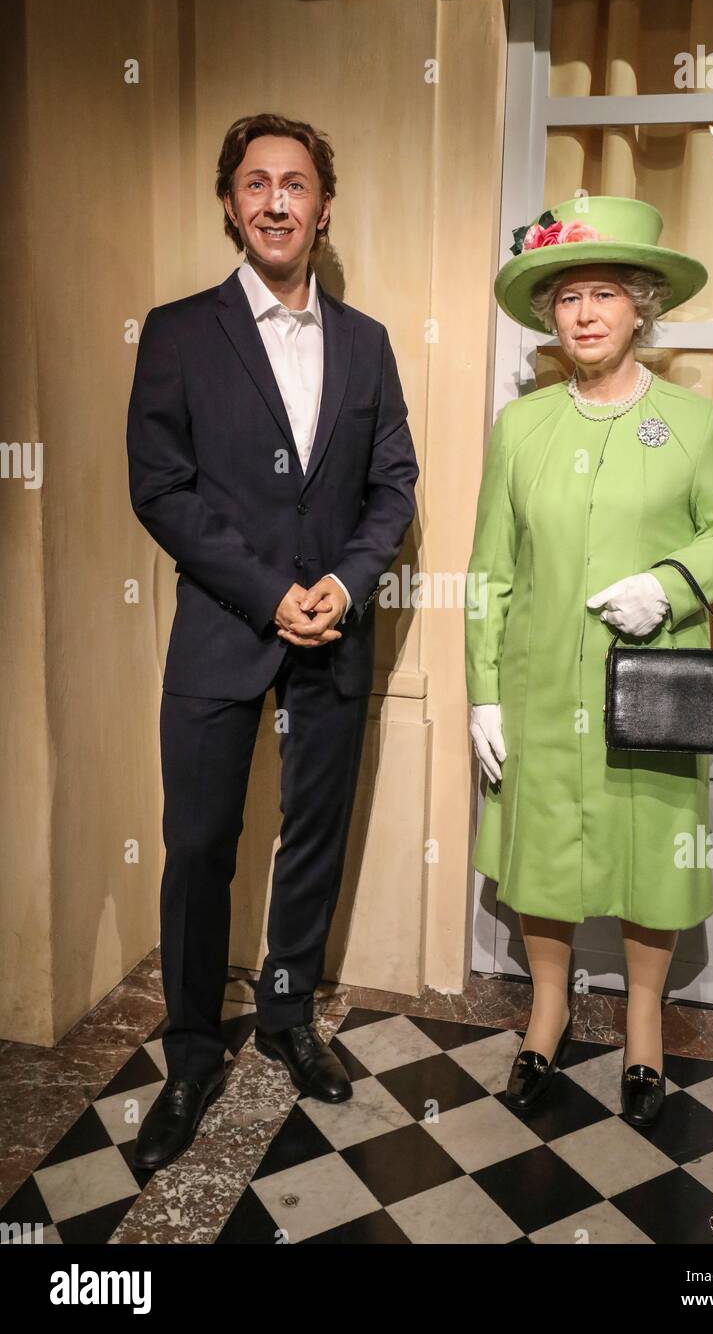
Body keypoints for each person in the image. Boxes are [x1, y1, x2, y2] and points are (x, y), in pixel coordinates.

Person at [126, 113, 418, 1169]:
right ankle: (194, 1047)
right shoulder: (174, 331)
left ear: (323, 207)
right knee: (200, 845)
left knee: (313, 836)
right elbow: (159, 488)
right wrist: (269, 592)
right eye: (255, 183)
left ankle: (288, 1015)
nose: (276, 200)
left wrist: (338, 583)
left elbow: (393, 486)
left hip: (334, 632)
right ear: (229, 205)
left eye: (295, 183)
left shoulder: (370, 343)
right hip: (219, 630)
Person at [465, 195, 713, 1126]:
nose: (585, 313)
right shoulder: (522, 430)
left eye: (603, 294)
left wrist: (671, 584)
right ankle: (546, 1013)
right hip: (540, 688)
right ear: (550, 317)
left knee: (650, 855)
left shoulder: (690, 421)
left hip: (651, 689)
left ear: (641, 306)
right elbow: (489, 570)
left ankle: (644, 1025)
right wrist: (484, 695)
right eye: (567, 297)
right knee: (543, 852)